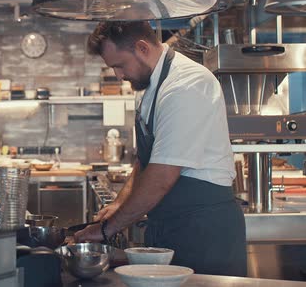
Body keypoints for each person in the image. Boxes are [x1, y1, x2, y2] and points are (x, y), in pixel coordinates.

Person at [74, 21, 247, 277]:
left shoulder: (186, 84)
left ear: (142, 48)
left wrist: (105, 229)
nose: (119, 75)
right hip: (169, 224)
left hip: (203, 230)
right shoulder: (147, 86)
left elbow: (162, 175)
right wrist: (119, 206)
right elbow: (145, 161)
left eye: (119, 65)